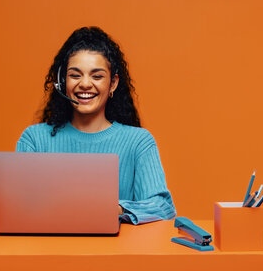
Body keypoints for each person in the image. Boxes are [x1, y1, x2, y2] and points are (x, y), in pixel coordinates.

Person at [16, 26, 176, 224]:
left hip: (118, 252)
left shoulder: (138, 142)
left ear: (113, 83)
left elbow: (163, 208)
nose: (84, 84)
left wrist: (111, 208)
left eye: (97, 76)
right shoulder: (34, 139)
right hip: (50, 251)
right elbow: (17, 206)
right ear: (62, 81)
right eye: (75, 75)